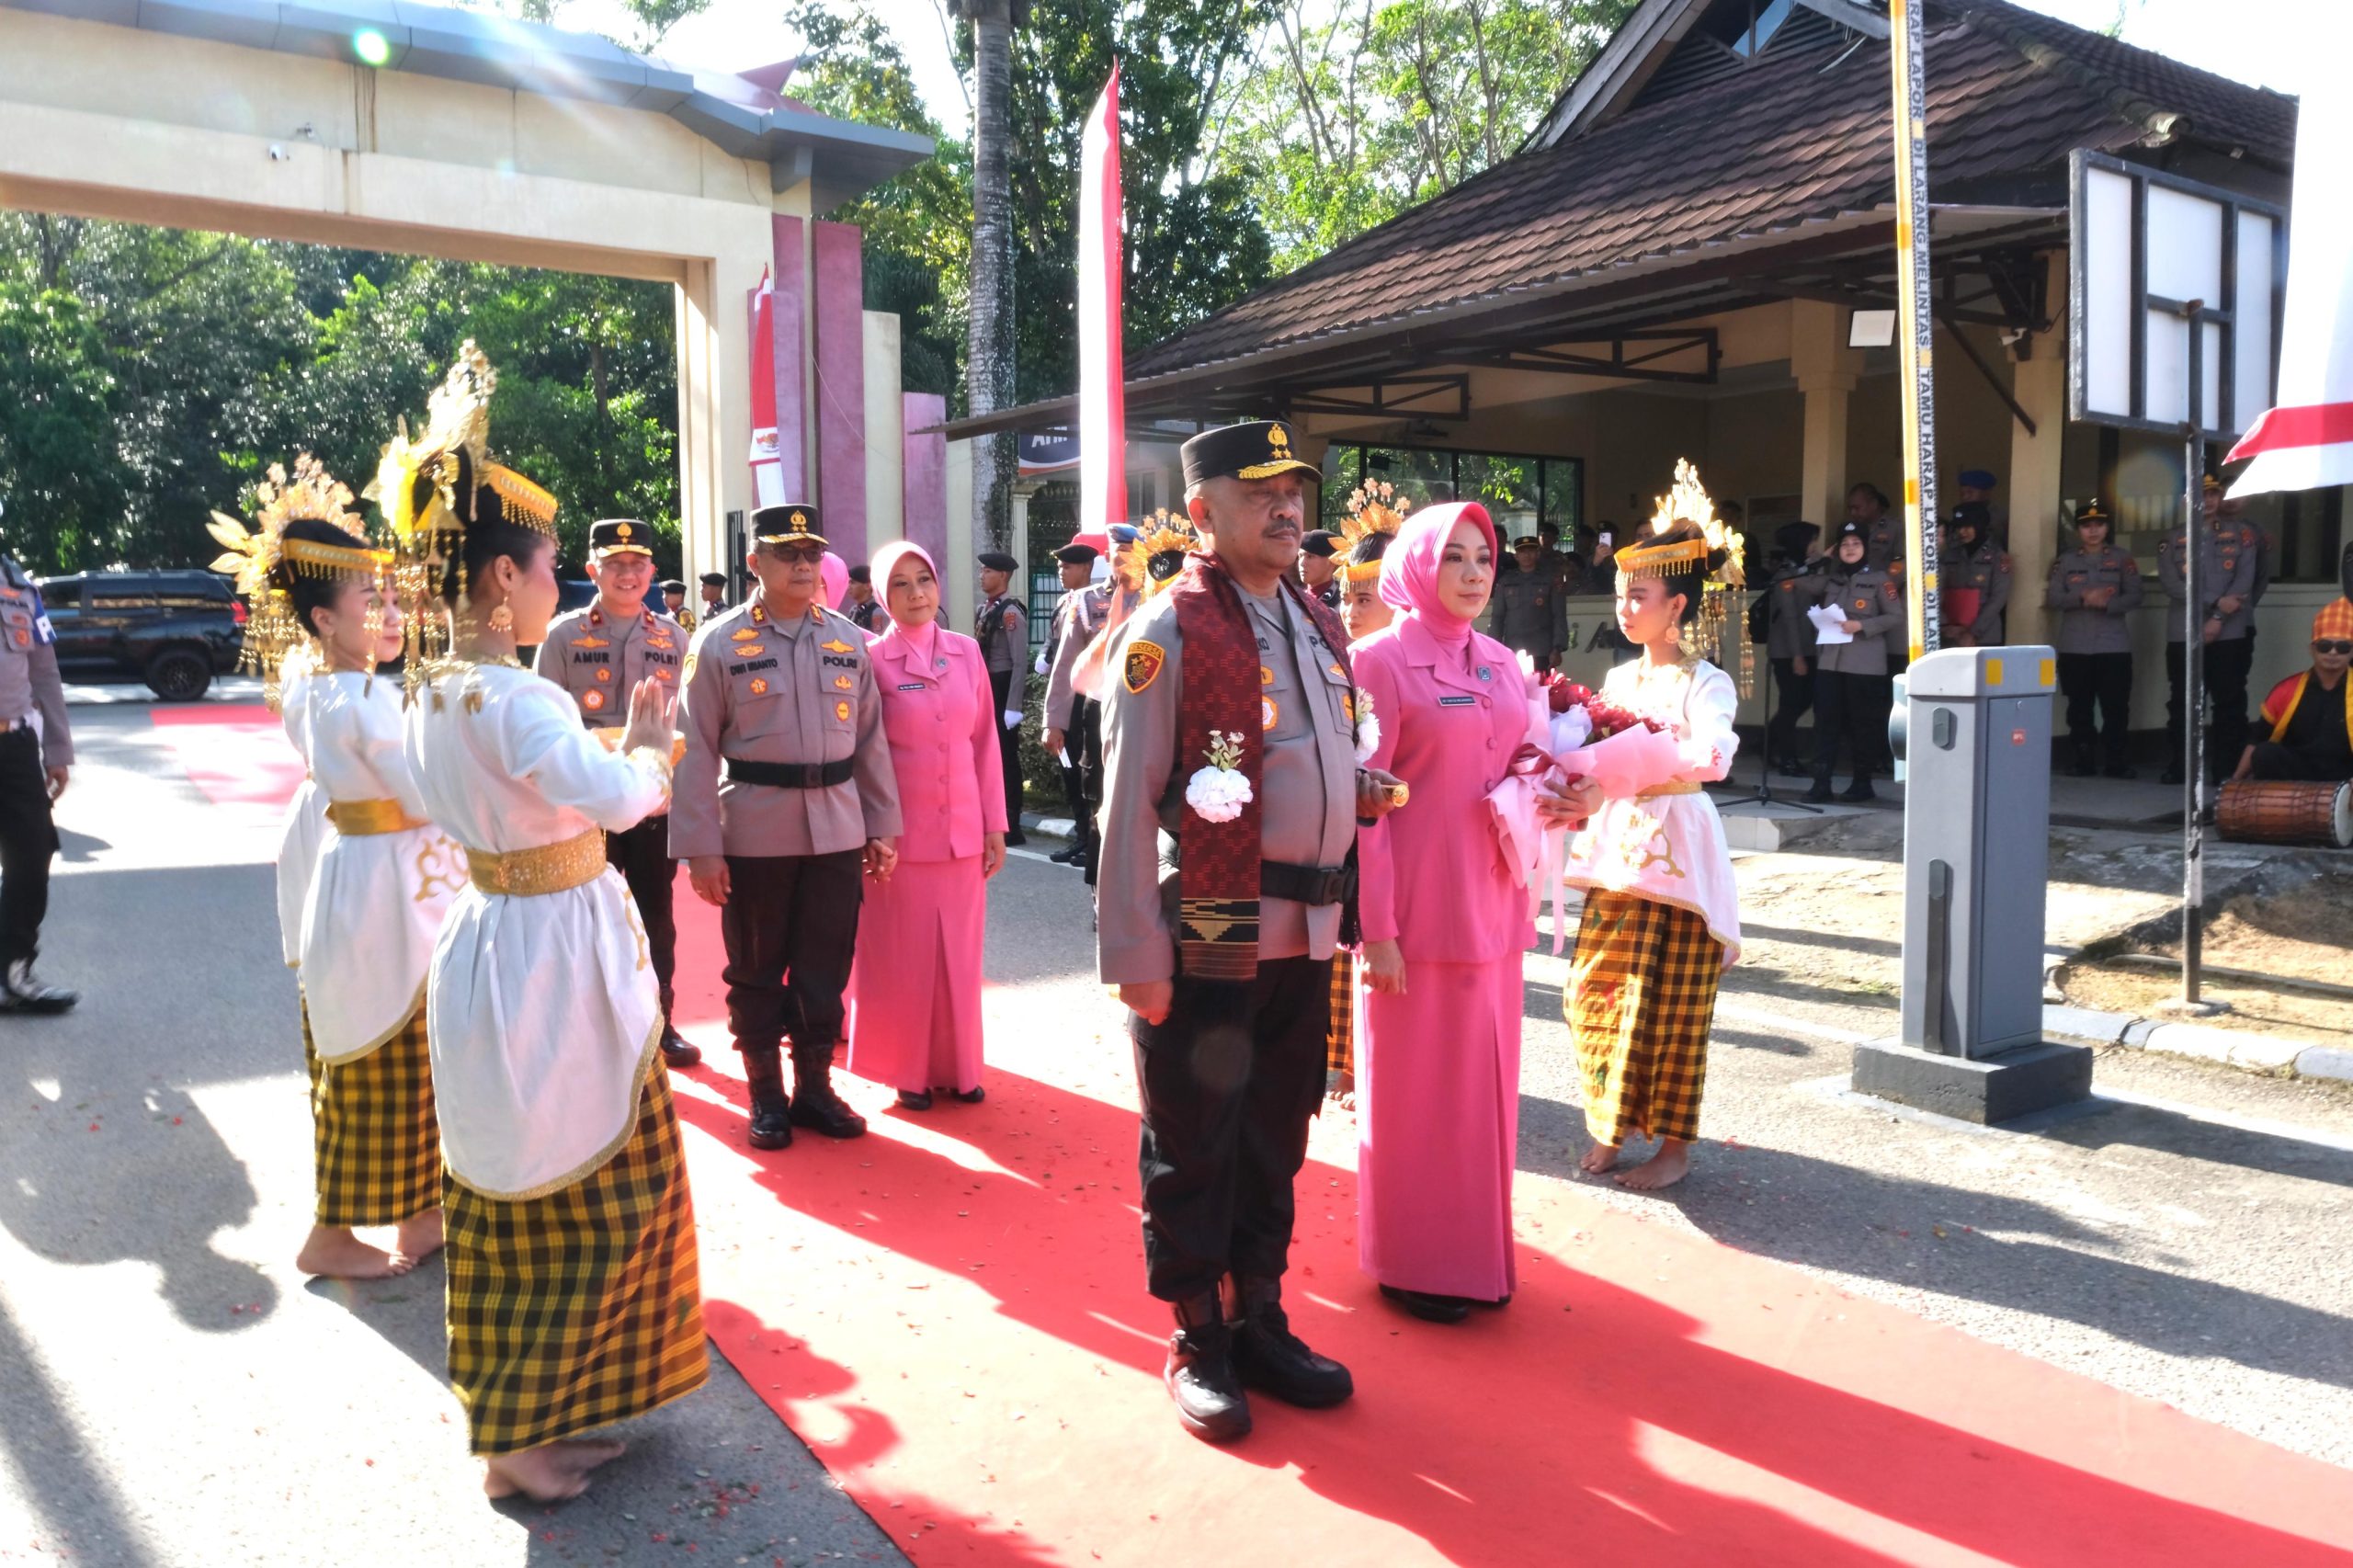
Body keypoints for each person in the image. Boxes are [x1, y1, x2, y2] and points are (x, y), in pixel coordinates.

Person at [384, 345, 705, 1503]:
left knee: (513, 1172)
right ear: (497, 580)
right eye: (548, 565)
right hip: (552, 950)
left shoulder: (430, 689)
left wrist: (611, 752)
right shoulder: (516, 694)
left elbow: (528, 785)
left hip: (494, 931)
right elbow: (617, 800)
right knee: (578, 1171)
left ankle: (522, 1415)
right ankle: (517, 1437)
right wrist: (651, 749)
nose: (556, 582)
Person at [1097, 418, 1399, 1443]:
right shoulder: (1168, 631)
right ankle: (1197, 1334)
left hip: (1306, 931)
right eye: (1260, 491)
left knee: (1275, 1138)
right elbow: (1128, 803)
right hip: (1212, 927)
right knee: (1194, 1142)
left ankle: (1258, 1313)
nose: (1284, 507)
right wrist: (1135, 957)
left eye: (1293, 491)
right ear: (1202, 511)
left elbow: (1306, 750)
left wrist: (1353, 786)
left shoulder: (1312, 619)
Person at [216, 458, 454, 1279]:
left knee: (402, 1055)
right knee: (375, 1062)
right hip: (383, 893)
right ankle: (331, 1232)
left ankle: (419, 1213)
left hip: (374, 880)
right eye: (369, 601)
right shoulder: (361, 700)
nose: (391, 613)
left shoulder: (315, 682)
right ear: (323, 618)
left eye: (392, 597)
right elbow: (432, 790)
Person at [1350, 501, 1533, 1323]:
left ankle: (1478, 1258)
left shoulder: (1499, 662)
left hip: (1494, 903)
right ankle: (1415, 1261)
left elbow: (1522, 761)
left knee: (1486, 1095)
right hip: (1417, 918)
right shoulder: (1378, 662)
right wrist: (1377, 931)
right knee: (1419, 1099)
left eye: (1483, 558)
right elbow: (1363, 808)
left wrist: (1572, 787)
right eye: (1454, 556)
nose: (1472, 573)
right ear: (1420, 565)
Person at [673, 504, 903, 1150]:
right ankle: (767, 1097)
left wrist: (882, 825)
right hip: (754, 832)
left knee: (824, 968)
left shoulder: (847, 640)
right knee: (755, 970)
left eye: (811, 553)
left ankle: (815, 1089)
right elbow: (692, 750)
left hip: (837, 829)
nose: (803, 564)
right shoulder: (718, 642)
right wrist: (700, 849)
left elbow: (871, 742)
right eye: (786, 553)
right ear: (755, 563)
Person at [1554, 517, 1741, 1192]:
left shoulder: (1706, 682)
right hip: (1617, 848)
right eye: (1621, 596)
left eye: (1639, 597)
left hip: (1679, 851)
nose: (1625, 609)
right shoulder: (1617, 676)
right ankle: (1609, 1123)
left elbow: (1715, 756)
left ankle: (1673, 1147)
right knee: (1594, 989)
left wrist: (1643, 758)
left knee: (1673, 1003)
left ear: (1677, 606)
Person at [845, 540, 1008, 1108]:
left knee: (959, 959)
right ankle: (906, 1071)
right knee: (903, 959)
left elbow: (985, 743)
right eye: (900, 583)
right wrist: (873, 829)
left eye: (924, 580)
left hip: (963, 835)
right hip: (898, 840)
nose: (916, 593)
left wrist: (994, 823)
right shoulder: (870, 660)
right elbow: (862, 753)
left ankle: (960, 1069)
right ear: (882, 596)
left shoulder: (966, 652)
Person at [536, 519, 699, 1070]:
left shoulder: (674, 638)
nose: (627, 574)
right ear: (593, 570)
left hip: (653, 804)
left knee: (656, 913)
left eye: (637, 565)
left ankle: (660, 1020)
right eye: (614, 564)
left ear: (652, 571)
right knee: (586, 913)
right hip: (588, 808)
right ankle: (589, 1024)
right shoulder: (562, 637)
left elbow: (686, 728)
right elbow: (546, 727)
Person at [0, 533, 75, 1012]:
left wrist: (58, 749)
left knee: (32, 851)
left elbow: (45, 672)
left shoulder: (19, 589)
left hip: (14, 743)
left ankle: (15, 971)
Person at [2160, 476, 2259, 786]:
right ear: (2185, 500)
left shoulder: (2241, 534)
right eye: (2201, 494)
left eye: (2214, 493)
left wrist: (2217, 617)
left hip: (2229, 632)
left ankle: (2225, 768)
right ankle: (2182, 766)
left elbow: (2244, 581)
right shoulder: (2172, 538)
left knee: (2229, 701)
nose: (2209, 500)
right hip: (2184, 631)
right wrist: (2216, 602)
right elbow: (2173, 584)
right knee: (2184, 701)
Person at [1805, 519, 1903, 803]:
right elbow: (1803, 583)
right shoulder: (1831, 579)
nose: (1850, 549)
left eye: (1856, 543)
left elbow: (1895, 616)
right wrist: (1821, 559)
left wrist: (1861, 626)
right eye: (1845, 544)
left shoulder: (1880, 579)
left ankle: (1862, 784)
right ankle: (1821, 784)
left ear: (1865, 547)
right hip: (1830, 662)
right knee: (1825, 723)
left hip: (1865, 664)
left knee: (1863, 725)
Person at [2045, 499, 2143, 778]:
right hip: (2075, 646)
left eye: (2099, 525)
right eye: (2086, 526)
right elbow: (2053, 598)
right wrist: (2082, 597)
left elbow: (2136, 595)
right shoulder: (2066, 561)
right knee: (2079, 707)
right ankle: (2083, 760)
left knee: (2115, 707)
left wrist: (2108, 603)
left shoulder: (2122, 558)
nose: (2093, 531)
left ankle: (2116, 761)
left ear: (2107, 528)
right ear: (2078, 530)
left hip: (2113, 645)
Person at [1041, 541, 1110, 869]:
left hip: (1089, 698)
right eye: (1060, 566)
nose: (1061, 571)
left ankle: (1092, 837)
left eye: (1067, 567)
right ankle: (1083, 834)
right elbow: (1059, 649)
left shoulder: (1098, 600)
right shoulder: (1066, 603)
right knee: (1070, 767)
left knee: (1089, 770)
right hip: (1068, 697)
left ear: (1086, 568)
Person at [2233, 599, 2353, 783]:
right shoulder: (2287, 690)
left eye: (2343, 647)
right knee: (2265, 753)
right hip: (2298, 771)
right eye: (2324, 646)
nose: (2333, 653)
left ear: (2351, 653)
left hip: (2345, 775)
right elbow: (2257, 739)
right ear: (2312, 649)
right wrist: (2236, 781)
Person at [975, 550, 1029, 846]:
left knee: (1007, 758)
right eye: (982, 571)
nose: (982, 576)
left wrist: (1013, 706)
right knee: (988, 755)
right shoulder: (985, 609)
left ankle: (1013, 821)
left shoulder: (1010, 613)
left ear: (1003, 575)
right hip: (988, 686)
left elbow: (1019, 662)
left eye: (988, 571)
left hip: (1003, 686)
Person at [1760, 520, 1819, 777]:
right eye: (1812, 540)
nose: (1815, 545)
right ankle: (1787, 759)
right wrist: (1797, 656)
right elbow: (1790, 618)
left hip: (1806, 648)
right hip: (1788, 652)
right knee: (1791, 703)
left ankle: (1767, 743)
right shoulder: (1786, 575)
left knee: (1802, 700)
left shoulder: (1803, 570)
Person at [1487, 532, 1563, 673]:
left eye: (1531, 551)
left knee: (1543, 686)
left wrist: (1557, 648)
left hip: (1542, 649)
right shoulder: (1506, 581)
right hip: (1513, 649)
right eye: (1522, 552)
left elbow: (1559, 615)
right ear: (1516, 556)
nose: (1527, 555)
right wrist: (1494, 647)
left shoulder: (1549, 580)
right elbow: (1497, 617)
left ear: (1538, 554)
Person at [1941, 502, 2011, 647]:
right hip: (1952, 634)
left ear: (1980, 525)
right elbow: (1939, 591)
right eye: (1959, 527)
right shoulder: (1949, 554)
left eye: (1967, 527)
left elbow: (1998, 598)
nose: (1962, 532)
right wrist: (1945, 625)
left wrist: (1973, 632)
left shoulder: (1998, 556)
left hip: (1985, 636)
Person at [1847, 483, 1900, 569]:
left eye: (1857, 508)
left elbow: (1902, 563)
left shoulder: (1895, 529)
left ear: (1873, 504)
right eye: (1850, 509)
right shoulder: (1849, 530)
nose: (1852, 513)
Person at [1300, 529, 1341, 607]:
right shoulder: (1293, 598)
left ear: (1333, 560)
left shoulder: (1342, 602)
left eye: (1310, 556)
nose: (1302, 563)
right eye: (1300, 556)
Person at [844, 563, 882, 633]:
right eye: (849, 583)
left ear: (867, 586)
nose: (849, 587)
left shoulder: (877, 612)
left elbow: (878, 637)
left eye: (853, 583)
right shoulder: (853, 611)